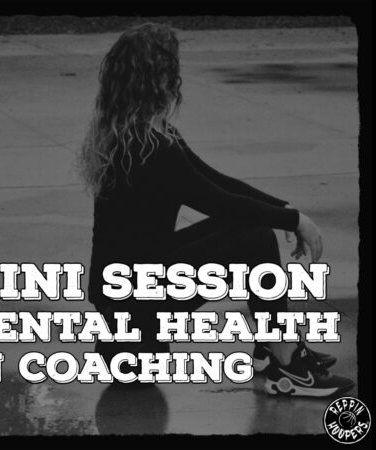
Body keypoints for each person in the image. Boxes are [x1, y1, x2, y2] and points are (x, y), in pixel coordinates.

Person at [78, 22, 354, 397]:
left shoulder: (139, 137)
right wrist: (295, 221)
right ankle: (287, 365)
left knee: (249, 229)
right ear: (158, 80)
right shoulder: (151, 149)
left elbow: (217, 181)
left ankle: (273, 350)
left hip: (130, 306)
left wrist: (285, 209)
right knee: (252, 237)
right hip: (134, 334)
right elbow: (219, 200)